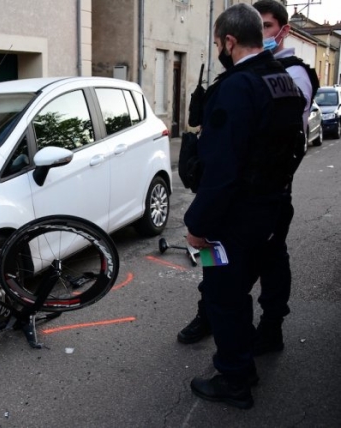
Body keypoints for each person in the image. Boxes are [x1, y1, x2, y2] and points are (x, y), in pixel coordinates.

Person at [183, 3, 305, 409]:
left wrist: (196, 225)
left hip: (229, 223)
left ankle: (234, 379)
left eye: (220, 42)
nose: (220, 48)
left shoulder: (236, 87)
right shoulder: (282, 80)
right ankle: (247, 358)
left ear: (230, 41)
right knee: (239, 289)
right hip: (269, 211)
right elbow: (294, 147)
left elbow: (221, 170)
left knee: (222, 295)